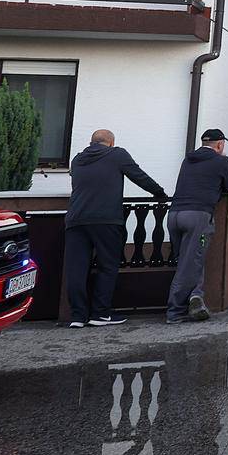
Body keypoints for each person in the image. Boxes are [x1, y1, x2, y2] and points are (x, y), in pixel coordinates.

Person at [64, 129, 169, 328]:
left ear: (91, 142)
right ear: (111, 143)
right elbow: (139, 177)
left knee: (76, 269)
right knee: (107, 266)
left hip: (75, 220)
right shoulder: (117, 154)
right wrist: (160, 194)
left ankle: (77, 316)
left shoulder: (77, 160)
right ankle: (100, 314)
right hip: (105, 219)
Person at [166, 128, 228, 324]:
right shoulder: (222, 161)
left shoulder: (188, 159)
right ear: (220, 144)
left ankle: (195, 296)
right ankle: (175, 311)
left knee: (186, 261)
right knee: (192, 263)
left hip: (174, 214)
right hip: (197, 215)